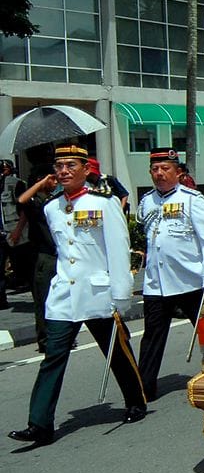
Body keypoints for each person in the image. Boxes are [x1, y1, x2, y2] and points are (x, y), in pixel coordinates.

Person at [8, 142, 148, 446]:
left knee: (117, 352)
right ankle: (40, 424)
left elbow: (118, 250)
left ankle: (136, 400)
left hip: (98, 292)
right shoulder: (52, 207)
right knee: (52, 356)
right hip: (64, 295)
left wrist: (121, 295)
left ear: (86, 170)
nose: (63, 171)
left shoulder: (104, 203)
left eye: (71, 165)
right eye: (59, 166)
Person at [136, 148, 204, 400]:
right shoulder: (147, 201)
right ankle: (144, 387)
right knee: (152, 336)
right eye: (155, 169)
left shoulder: (192, 199)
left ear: (178, 172)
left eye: (165, 169)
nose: (160, 174)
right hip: (156, 281)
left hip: (191, 279)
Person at [17, 169, 59, 352]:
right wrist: (39, 184)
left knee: (59, 299)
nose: (56, 182)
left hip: (59, 255)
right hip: (44, 256)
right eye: (52, 179)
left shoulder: (54, 201)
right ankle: (44, 340)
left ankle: (59, 337)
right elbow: (22, 200)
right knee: (43, 299)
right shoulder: (36, 201)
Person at [1, 159, 29, 308]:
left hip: (15, 229)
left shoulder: (15, 183)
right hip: (1, 232)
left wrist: (18, 230)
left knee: (22, 264)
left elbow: (24, 208)